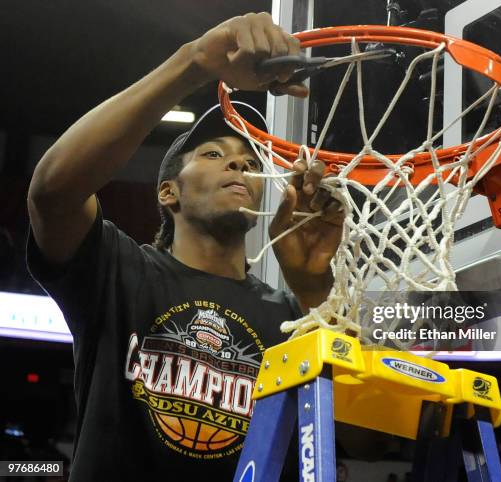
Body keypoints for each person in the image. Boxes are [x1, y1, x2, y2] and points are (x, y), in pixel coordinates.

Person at [27, 12, 344, 481]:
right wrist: (194, 62)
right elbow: (52, 194)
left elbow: (365, 440)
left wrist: (315, 288)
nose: (237, 164)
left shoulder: (291, 313)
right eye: (214, 154)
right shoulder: (120, 270)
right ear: (168, 192)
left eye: (245, 160)